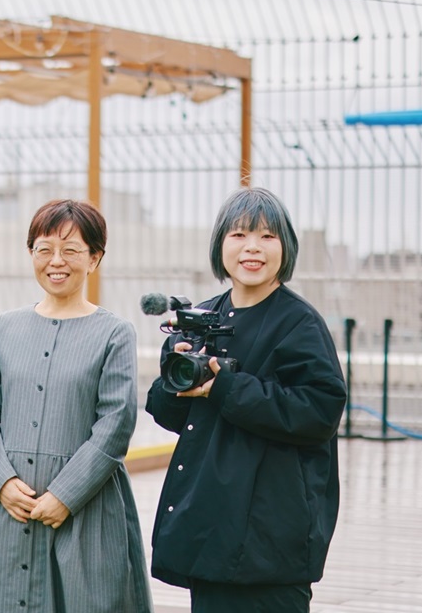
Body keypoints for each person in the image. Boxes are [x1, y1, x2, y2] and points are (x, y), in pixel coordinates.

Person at [0, 199, 153, 613]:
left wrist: (65, 494)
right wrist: (1, 481)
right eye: (44, 249)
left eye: (71, 250)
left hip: (85, 510)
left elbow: (116, 423)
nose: (56, 261)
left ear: (94, 258)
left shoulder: (114, 333)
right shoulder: (5, 327)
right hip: (6, 506)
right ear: (31, 254)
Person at [146, 186, 347, 613]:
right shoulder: (204, 316)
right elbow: (168, 413)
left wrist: (225, 388)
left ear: (285, 247)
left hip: (270, 540)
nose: (252, 247)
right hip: (211, 529)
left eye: (266, 236)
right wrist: (176, 376)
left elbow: (320, 411)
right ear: (220, 246)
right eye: (238, 235)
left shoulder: (299, 323)